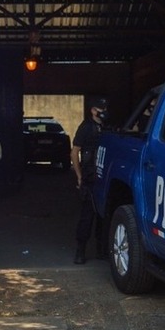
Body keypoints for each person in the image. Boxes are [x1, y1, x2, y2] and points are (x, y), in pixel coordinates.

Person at [71, 101, 107, 264]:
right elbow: (75, 152)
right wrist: (79, 176)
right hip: (90, 177)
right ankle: (80, 251)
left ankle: (102, 249)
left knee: (103, 216)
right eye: (101, 109)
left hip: (103, 177)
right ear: (93, 110)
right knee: (87, 216)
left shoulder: (106, 127)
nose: (104, 111)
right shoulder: (86, 127)